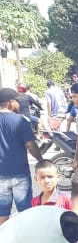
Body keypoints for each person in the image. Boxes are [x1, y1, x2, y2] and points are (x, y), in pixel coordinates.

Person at [0, 86, 40, 226]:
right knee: (25, 212)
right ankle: (26, 241)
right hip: (20, 173)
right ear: (10, 102)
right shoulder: (20, 120)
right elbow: (30, 145)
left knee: (2, 213)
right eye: (17, 100)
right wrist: (40, 160)